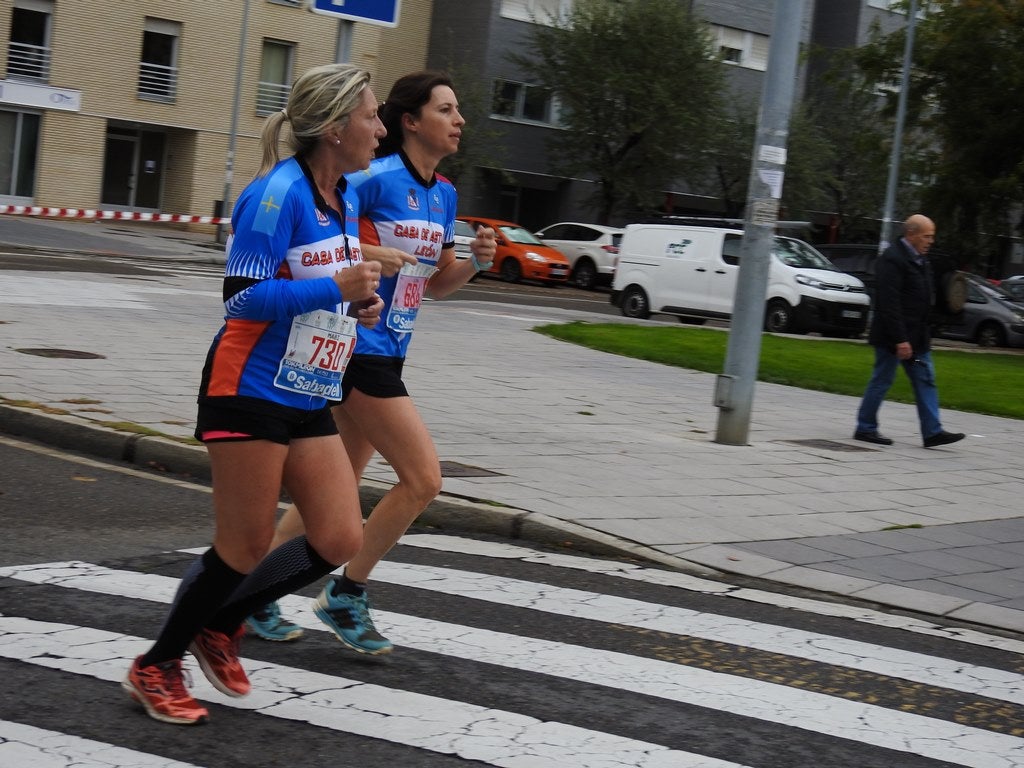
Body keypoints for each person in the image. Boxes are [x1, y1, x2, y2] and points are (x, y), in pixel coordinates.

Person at [122, 63, 387, 725]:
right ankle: (155, 664)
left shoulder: (344, 198)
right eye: (371, 116)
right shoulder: (276, 195)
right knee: (241, 545)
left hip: (306, 388)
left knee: (337, 536)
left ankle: (223, 624)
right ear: (334, 128)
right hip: (247, 386)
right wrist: (337, 290)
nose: (379, 128)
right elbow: (241, 297)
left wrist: (357, 308)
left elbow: (325, 284)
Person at [244, 71, 496, 653]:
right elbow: (331, 240)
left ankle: (252, 594)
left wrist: (478, 262)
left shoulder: (445, 194)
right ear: (411, 121)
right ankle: (346, 593)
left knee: (336, 490)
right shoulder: (371, 178)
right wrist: (372, 252)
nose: (459, 121)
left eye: (458, 111)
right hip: (359, 348)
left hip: (392, 350)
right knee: (422, 479)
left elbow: (436, 285)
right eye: (447, 109)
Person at [853, 214, 965, 449]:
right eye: (927, 236)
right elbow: (889, 303)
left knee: (926, 379)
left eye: (932, 236)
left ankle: (933, 432)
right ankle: (865, 428)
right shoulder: (892, 260)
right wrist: (900, 340)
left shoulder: (921, 260)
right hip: (894, 338)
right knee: (882, 379)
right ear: (911, 234)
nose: (931, 241)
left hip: (917, 337)